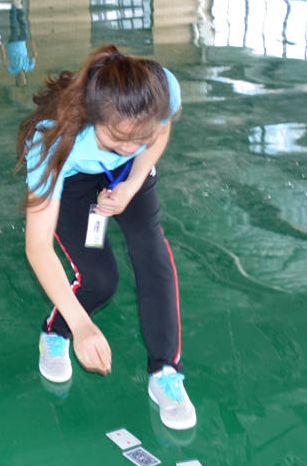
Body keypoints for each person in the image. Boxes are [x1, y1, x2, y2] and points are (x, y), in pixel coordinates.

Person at [18, 45, 193, 430]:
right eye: (117, 141)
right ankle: (58, 330)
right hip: (77, 182)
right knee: (99, 279)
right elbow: (38, 247)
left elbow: (160, 130)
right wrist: (82, 327)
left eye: (138, 139)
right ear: (93, 119)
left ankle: (165, 372)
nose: (129, 147)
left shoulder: (161, 90)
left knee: (152, 255)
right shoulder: (54, 142)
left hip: (126, 179)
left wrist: (131, 183)